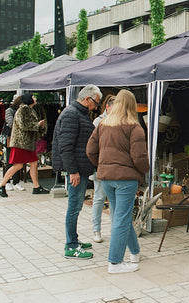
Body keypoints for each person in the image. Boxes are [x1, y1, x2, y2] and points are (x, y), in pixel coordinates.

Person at [86, 89, 148, 273]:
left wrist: (102, 165)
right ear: (132, 105)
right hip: (125, 179)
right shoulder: (134, 127)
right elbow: (140, 157)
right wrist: (145, 172)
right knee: (121, 218)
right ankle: (115, 262)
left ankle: (135, 253)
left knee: (121, 216)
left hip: (106, 178)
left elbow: (90, 150)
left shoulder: (103, 124)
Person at [52, 85, 102, 259]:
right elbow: (65, 146)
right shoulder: (72, 114)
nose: (96, 107)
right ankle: (71, 246)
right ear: (87, 99)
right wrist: (72, 171)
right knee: (74, 207)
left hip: (80, 168)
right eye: (95, 102)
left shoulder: (78, 113)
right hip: (76, 170)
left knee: (76, 206)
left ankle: (73, 239)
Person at [0, 93, 49, 197]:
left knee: (33, 163)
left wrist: (39, 127)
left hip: (26, 143)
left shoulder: (28, 109)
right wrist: (37, 125)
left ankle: (36, 187)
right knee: (18, 165)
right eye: (33, 97)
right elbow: (23, 125)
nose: (35, 98)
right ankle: (1, 185)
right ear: (29, 99)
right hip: (21, 143)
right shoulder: (23, 110)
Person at [90, 94, 115, 243]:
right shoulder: (98, 122)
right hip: (101, 164)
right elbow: (93, 146)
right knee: (99, 197)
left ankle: (114, 229)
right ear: (108, 106)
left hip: (114, 166)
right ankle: (96, 229)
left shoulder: (118, 121)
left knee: (113, 199)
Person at [3, 95, 25, 192]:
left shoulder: (23, 111)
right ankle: (7, 182)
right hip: (10, 138)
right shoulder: (9, 110)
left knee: (18, 161)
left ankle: (16, 182)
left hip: (19, 139)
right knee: (9, 160)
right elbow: (11, 123)